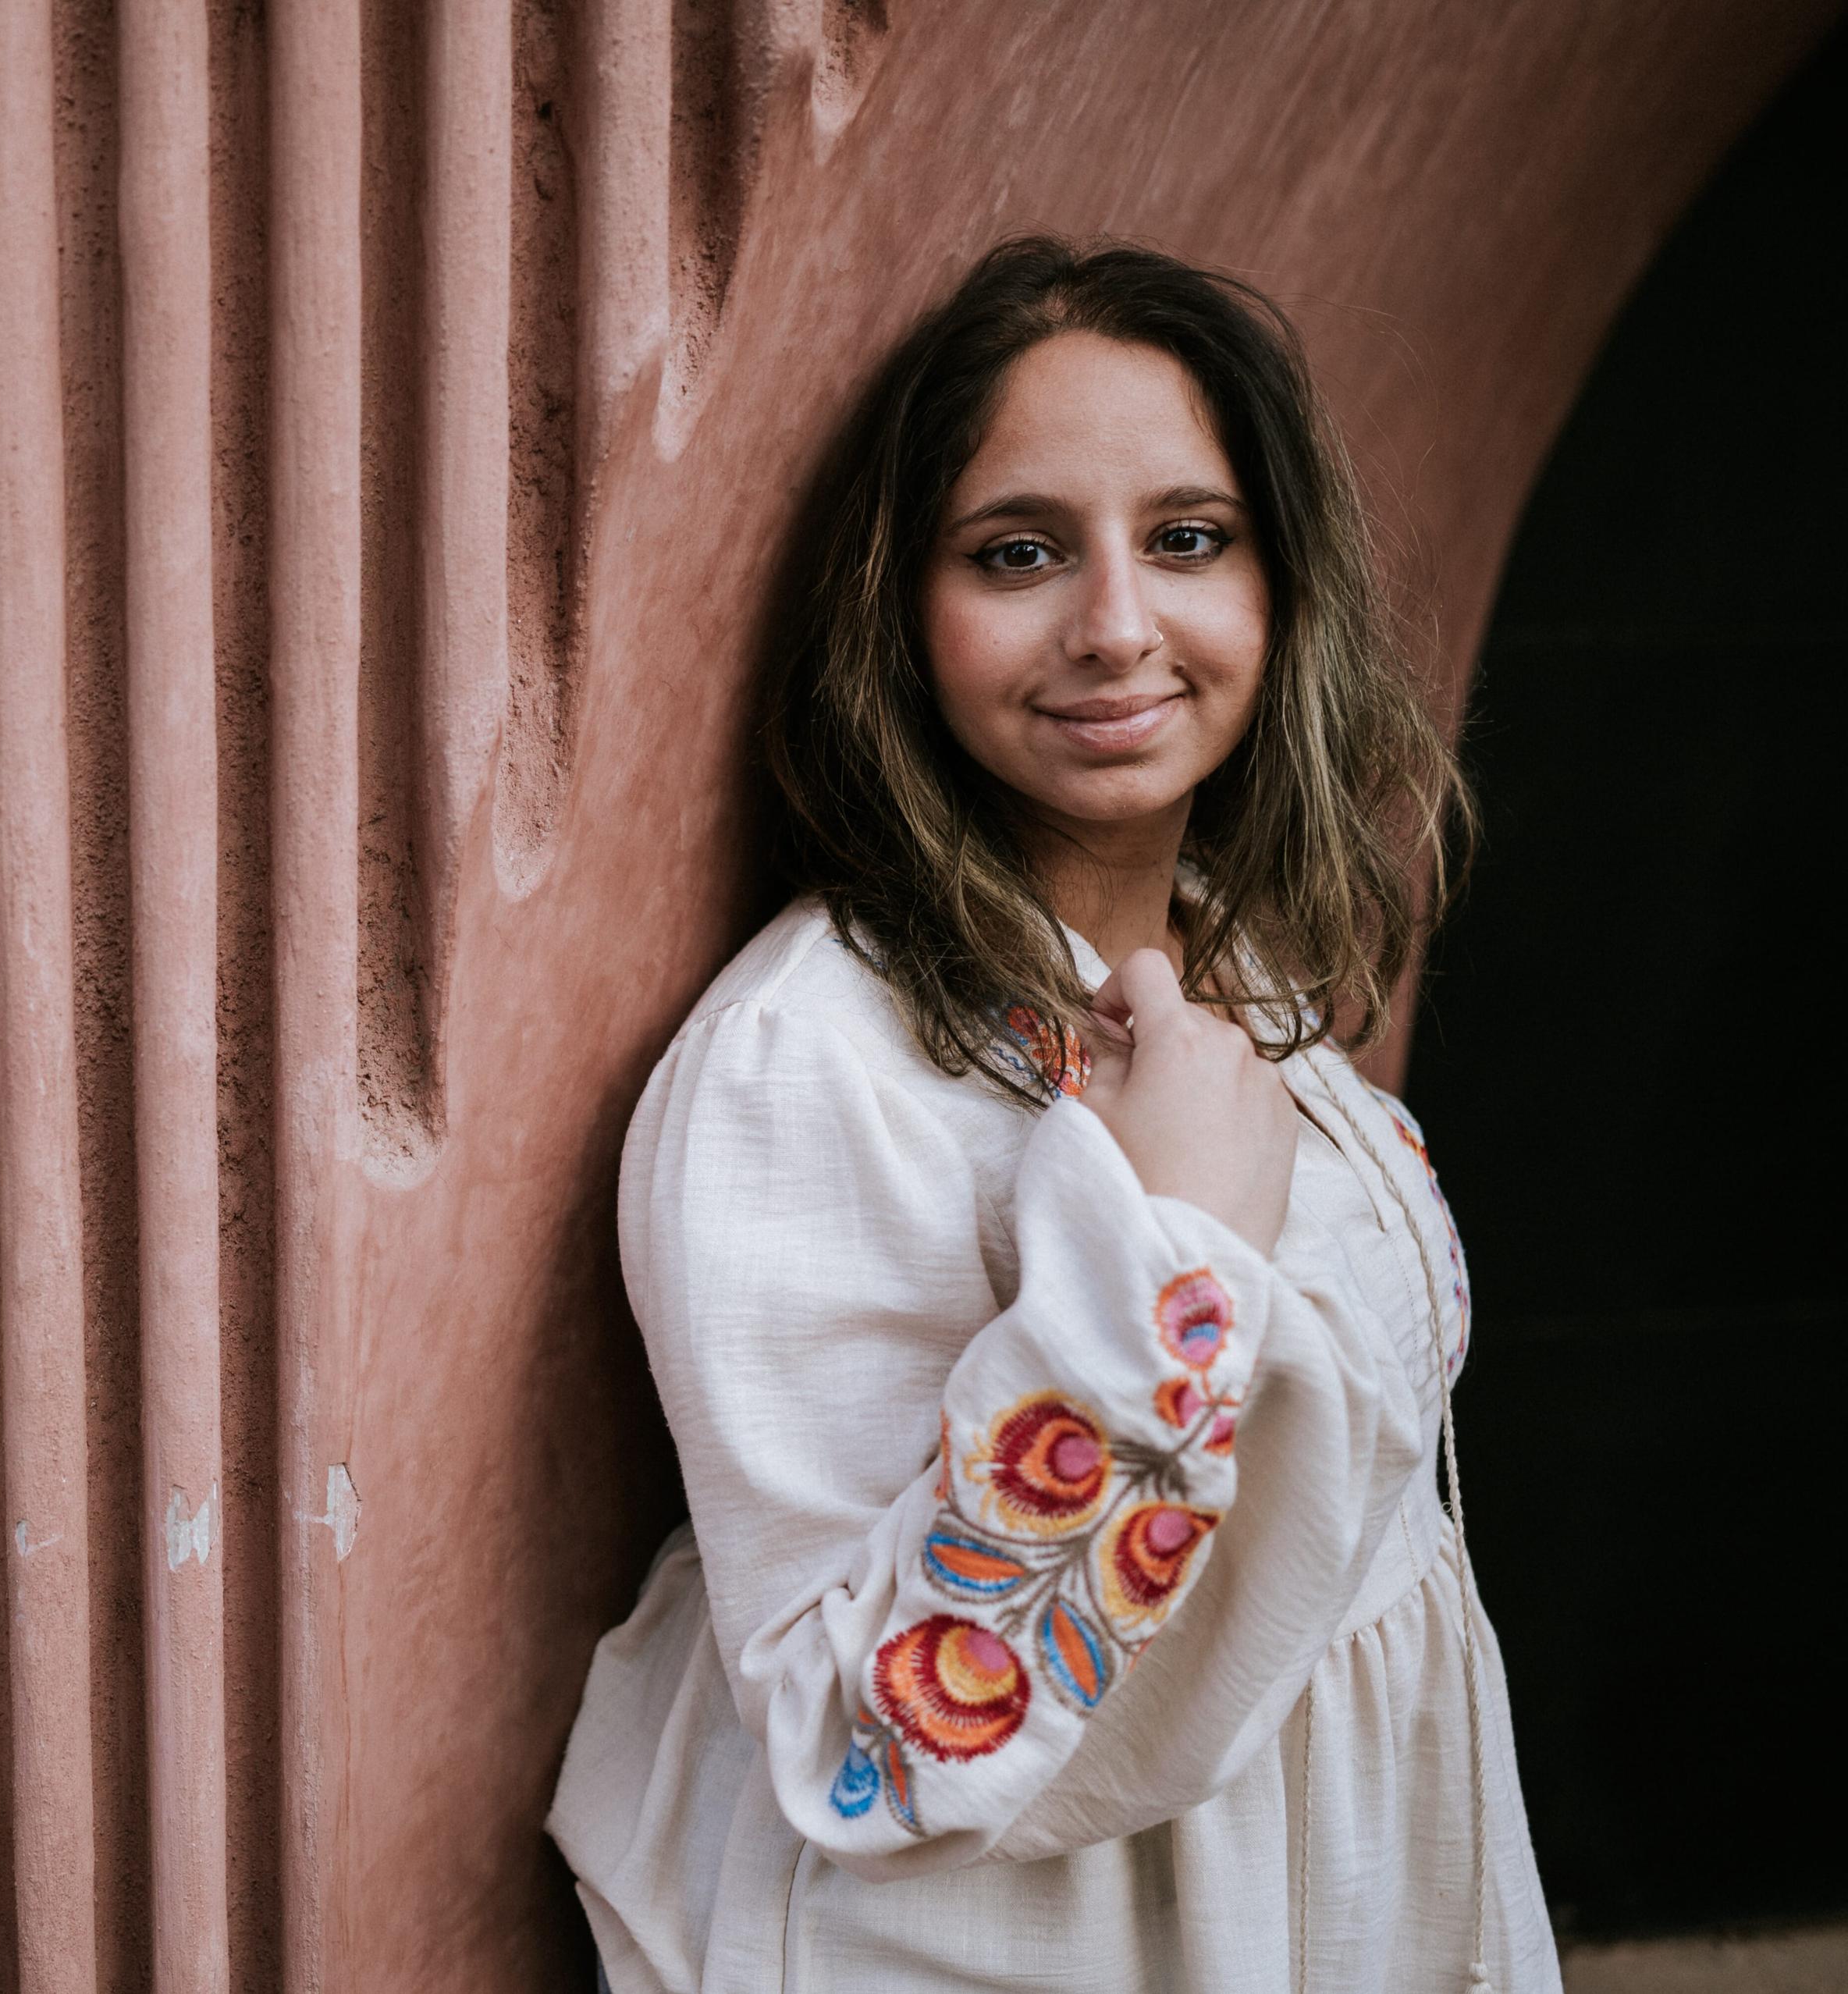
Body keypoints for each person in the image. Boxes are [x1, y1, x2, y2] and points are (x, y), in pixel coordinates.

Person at [546, 237, 1555, 1992]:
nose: (1115, 625)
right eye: (1019, 553)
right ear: (901, 613)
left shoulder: (1249, 977)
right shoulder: (815, 1066)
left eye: (1188, 538)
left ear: (1280, 585)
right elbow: (883, 1731)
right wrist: (1162, 1259)